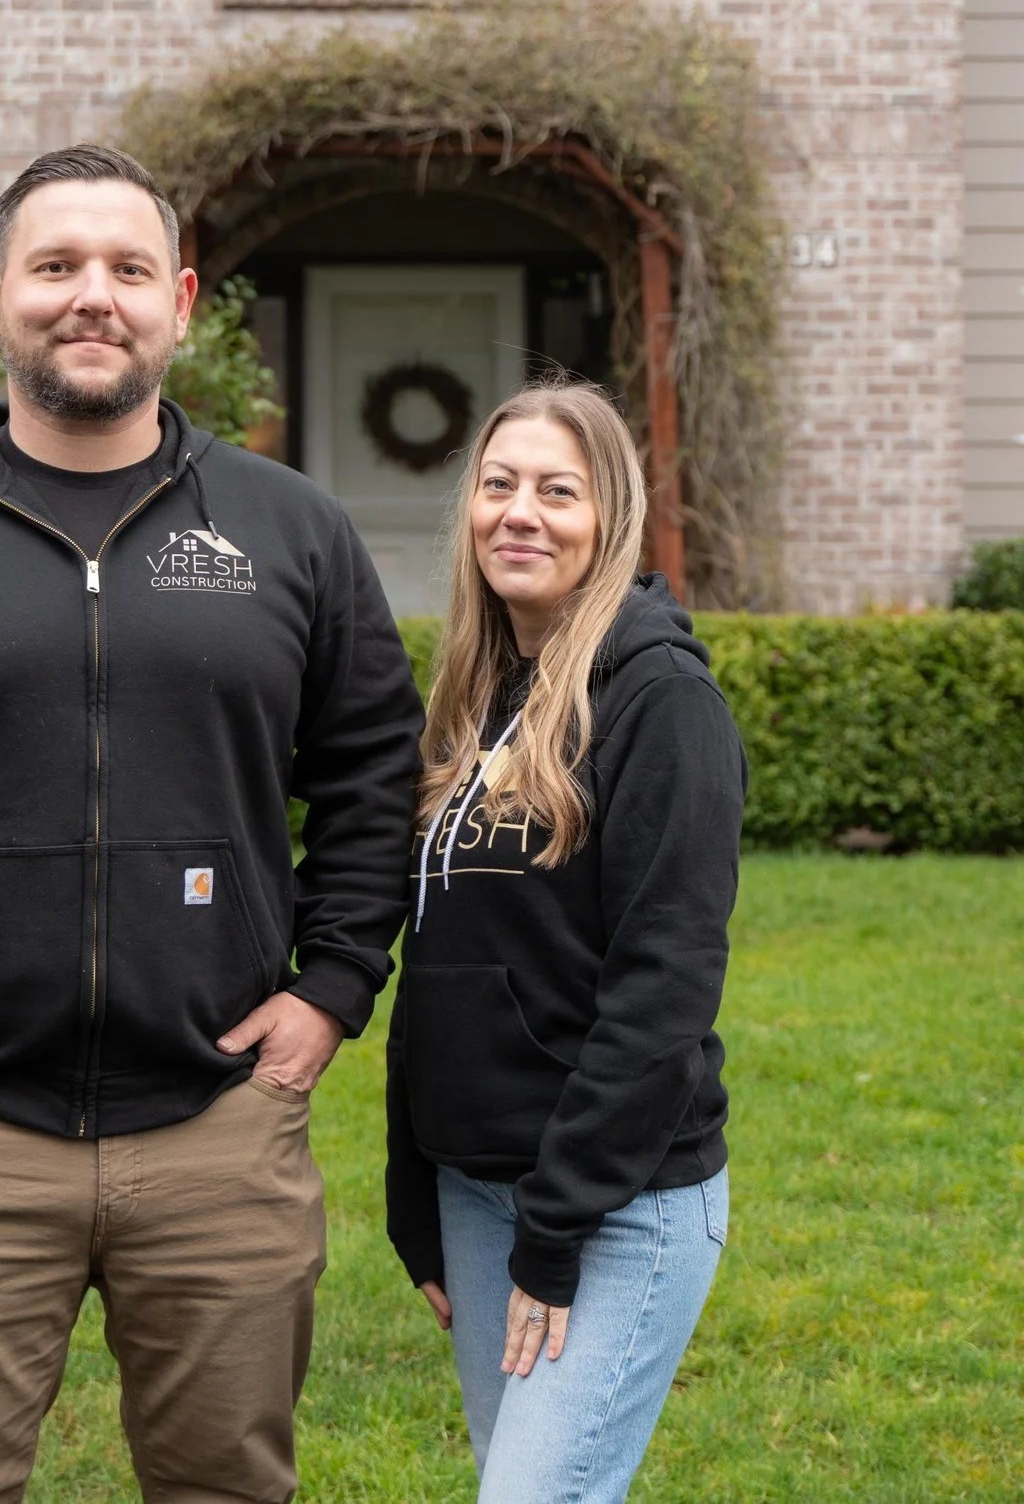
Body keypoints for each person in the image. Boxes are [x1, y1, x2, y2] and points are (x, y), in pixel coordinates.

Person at [0, 144, 423, 1504]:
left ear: (182, 300)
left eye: (125, 268)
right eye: (55, 267)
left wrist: (333, 989)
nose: (90, 297)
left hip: (220, 1124)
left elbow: (373, 770)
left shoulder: (291, 532)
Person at [386, 379, 744, 1503]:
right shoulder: (476, 695)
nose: (519, 513)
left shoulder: (660, 701)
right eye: (498, 486)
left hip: (614, 1200)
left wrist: (557, 1225)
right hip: (477, 1189)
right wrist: (412, 1177)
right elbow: (437, 961)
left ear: (610, 519)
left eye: (556, 490)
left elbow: (664, 986)